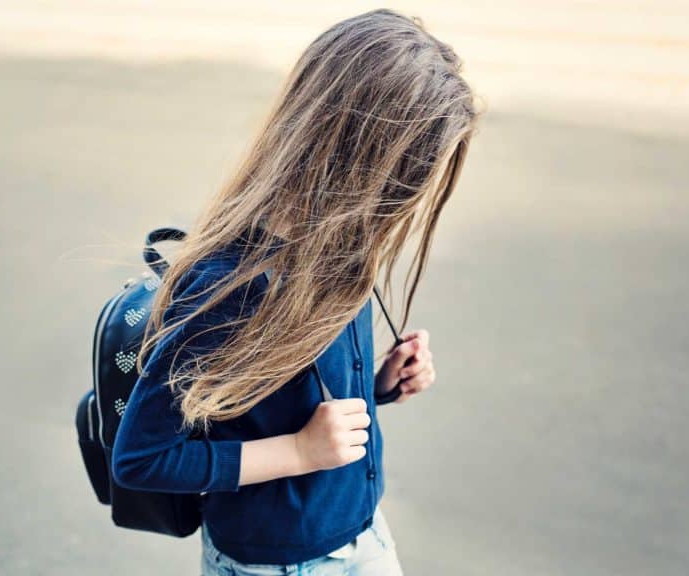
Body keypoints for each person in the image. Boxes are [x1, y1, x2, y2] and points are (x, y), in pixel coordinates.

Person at [110, 8, 480, 575]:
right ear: (365, 161)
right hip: (276, 565)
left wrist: (379, 385)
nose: (411, 196)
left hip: (365, 535)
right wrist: (299, 452)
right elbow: (142, 458)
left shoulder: (342, 247)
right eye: (412, 172)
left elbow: (279, 390)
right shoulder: (228, 286)